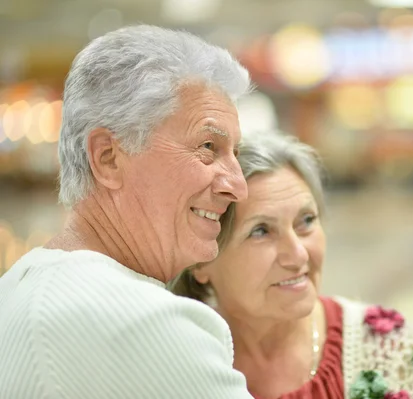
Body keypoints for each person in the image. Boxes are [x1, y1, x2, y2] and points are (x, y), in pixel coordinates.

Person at [0, 25, 254, 398]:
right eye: (207, 146)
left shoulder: (16, 288)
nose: (238, 186)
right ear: (108, 158)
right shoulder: (140, 321)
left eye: (236, 153)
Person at [170, 131, 413, 399]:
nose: (299, 255)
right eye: (261, 231)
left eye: (306, 221)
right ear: (200, 259)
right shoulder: (177, 363)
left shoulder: (384, 348)